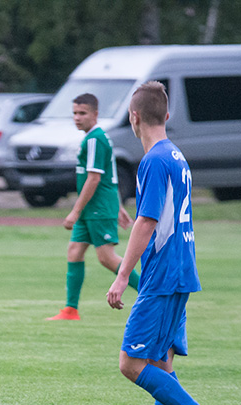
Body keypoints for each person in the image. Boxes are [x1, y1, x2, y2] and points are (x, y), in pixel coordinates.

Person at [107, 81, 225, 405]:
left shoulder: (154, 160)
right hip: (180, 268)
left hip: (162, 274)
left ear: (133, 117)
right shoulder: (176, 155)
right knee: (159, 364)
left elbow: (148, 220)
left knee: (131, 363)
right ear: (168, 115)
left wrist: (123, 274)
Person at [47, 93, 139, 321]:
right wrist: (118, 206)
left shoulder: (95, 140)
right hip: (95, 208)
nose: (77, 118)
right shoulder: (94, 138)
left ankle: (152, 294)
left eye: (82, 113)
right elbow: (112, 175)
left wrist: (75, 211)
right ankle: (70, 310)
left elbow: (95, 179)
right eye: (75, 113)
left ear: (95, 114)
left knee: (107, 258)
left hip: (96, 208)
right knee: (75, 251)